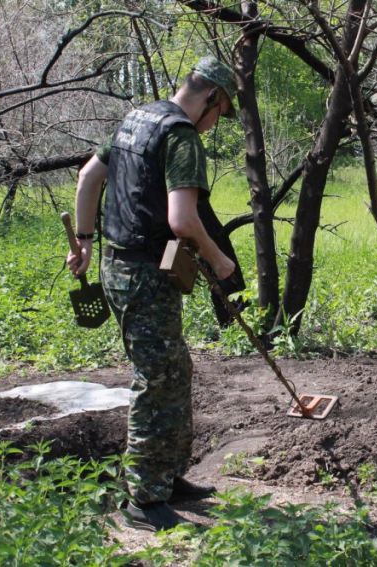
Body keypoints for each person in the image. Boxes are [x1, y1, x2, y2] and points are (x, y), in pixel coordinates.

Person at [66, 55, 240, 531]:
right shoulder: (179, 135)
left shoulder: (136, 118)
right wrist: (218, 259)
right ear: (211, 97)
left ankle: (166, 474)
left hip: (117, 265)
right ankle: (143, 498)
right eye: (220, 114)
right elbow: (182, 220)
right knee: (155, 378)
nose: (214, 124)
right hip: (145, 273)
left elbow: (88, 177)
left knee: (174, 368)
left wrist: (83, 240)